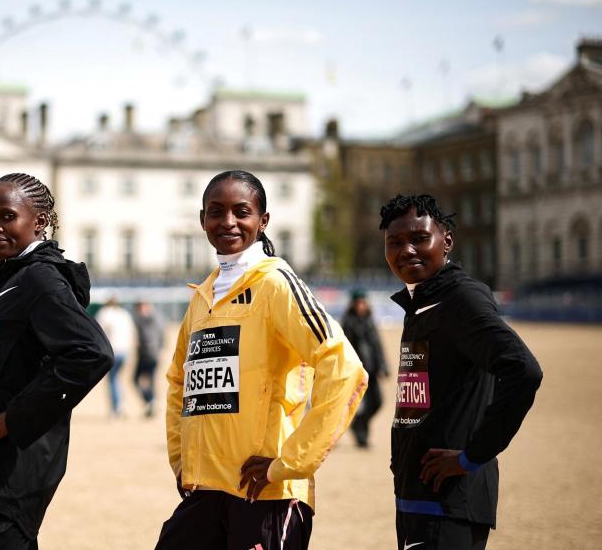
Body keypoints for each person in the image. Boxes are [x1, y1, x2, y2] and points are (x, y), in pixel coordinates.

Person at [156, 170, 368, 550]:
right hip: (206, 489)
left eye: (242, 211)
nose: (228, 222)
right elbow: (178, 384)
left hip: (267, 493)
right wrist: (181, 460)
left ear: (263, 220)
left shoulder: (275, 283)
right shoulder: (203, 296)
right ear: (202, 219)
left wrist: (289, 463)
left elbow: (345, 368)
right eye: (216, 211)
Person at [0, 172, 113, 550]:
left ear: (39, 222)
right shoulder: (9, 280)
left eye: (6, 216)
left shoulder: (39, 280)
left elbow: (92, 352)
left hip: (8, 475)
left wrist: (14, 419)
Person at [380, 194, 542, 550]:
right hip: (417, 498)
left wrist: (473, 455)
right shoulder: (421, 302)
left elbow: (523, 370)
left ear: (447, 241)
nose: (407, 250)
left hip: (450, 502)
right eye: (395, 242)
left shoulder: (461, 298)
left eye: (420, 239)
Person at [341, 289, 389, 448]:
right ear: (353, 304)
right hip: (357, 372)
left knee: (377, 402)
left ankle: (358, 423)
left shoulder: (370, 320)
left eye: (364, 301)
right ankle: (361, 436)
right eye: (359, 302)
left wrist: (383, 366)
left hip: (373, 370)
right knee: (356, 404)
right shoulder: (348, 322)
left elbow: (377, 346)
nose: (362, 305)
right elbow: (345, 349)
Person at [95, 296, 135, 417]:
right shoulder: (125, 314)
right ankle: (121, 404)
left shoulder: (105, 313)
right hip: (125, 350)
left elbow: (97, 330)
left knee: (112, 380)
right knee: (118, 379)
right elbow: (132, 332)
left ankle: (116, 408)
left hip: (112, 350)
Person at [133, 300, 165, 418]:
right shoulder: (154, 318)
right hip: (148, 354)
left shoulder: (151, 319)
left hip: (149, 354)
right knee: (142, 380)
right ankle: (150, 401)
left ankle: (151, 401)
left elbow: (153, 337)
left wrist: (157, 348)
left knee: (142, 379)